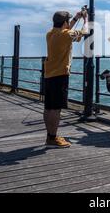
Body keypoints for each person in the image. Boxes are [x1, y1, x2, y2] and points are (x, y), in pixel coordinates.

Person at [43, 9, 88, 148]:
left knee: (48, 108)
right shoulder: (67, 35)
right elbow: (84, 32)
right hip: (60, 75)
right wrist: (85, 19)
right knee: (56, 109)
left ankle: (50, 135)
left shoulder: (50, 33)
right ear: (64, 22)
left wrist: (76, 17)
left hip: (49, 74)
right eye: (68, 21)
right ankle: (52, 138)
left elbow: (66, 29)